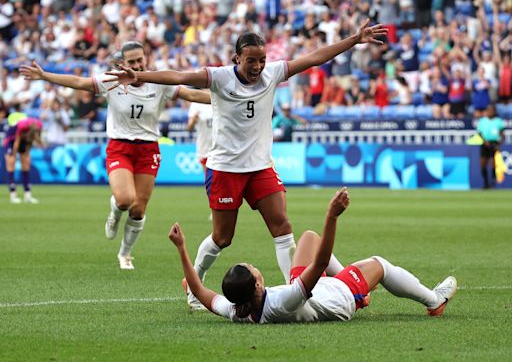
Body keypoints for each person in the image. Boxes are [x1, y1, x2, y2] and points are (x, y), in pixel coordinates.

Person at [106, 19, 387, 308]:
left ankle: (295, 291)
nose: (257, 66)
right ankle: (193, 285)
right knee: (222, 237)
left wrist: (353, 40)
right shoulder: (219, 77)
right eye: (251, 60)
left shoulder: (273, 73)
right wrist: (143, 77)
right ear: (237, 58)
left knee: (282, 227)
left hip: (260, 167)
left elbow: (314, 57)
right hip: (225, 169)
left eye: (262, 60)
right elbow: (180, 76)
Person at [20, 41, 211, 270]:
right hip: (120, 146)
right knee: (124, 199)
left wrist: (229, 97)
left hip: (148, 148)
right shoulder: (112, 80)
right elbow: (79, 82)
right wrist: (44, 75)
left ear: (145, 59)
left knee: (139, 209)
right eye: (131, 61)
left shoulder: (159, 82)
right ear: (122, 63)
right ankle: (114, 211)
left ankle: (125, 253)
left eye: (140, 59)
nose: (137, 64)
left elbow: (191, 94)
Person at [168, 187, 458, 323]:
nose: (255, 266)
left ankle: (363, 292)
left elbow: (200, 291)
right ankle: (434, 301)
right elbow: (321, 262)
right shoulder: (283, 301)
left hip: (309, 291)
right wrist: (332, 216)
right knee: (379, 264)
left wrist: (182, 249)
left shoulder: (236, 310)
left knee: (307, 238)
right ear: (257, 284)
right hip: (336, 298)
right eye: (253, 269)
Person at [2, 117, 43, 203]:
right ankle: (13, 195)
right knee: (11, 163)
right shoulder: (22, 126)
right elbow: (17, 142)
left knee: (26, 164)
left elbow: (31, 142)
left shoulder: (39, 125)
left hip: (23, 140)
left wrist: (27, 152)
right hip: (11, 138)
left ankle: (27, 195)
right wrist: (13, 154)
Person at [477, 105, 505, 189]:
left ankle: (493, 181)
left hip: (494, 143)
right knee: (483, 163)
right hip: (484, 143)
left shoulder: (498, 121)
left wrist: (498, 144)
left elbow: (502, 134)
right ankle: (485, 183)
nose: (490, 112)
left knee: (493, 163)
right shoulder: (482, 121)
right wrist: (485, 141)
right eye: (488, 110)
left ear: (494, 111)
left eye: (492, 110)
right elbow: (480, 133)